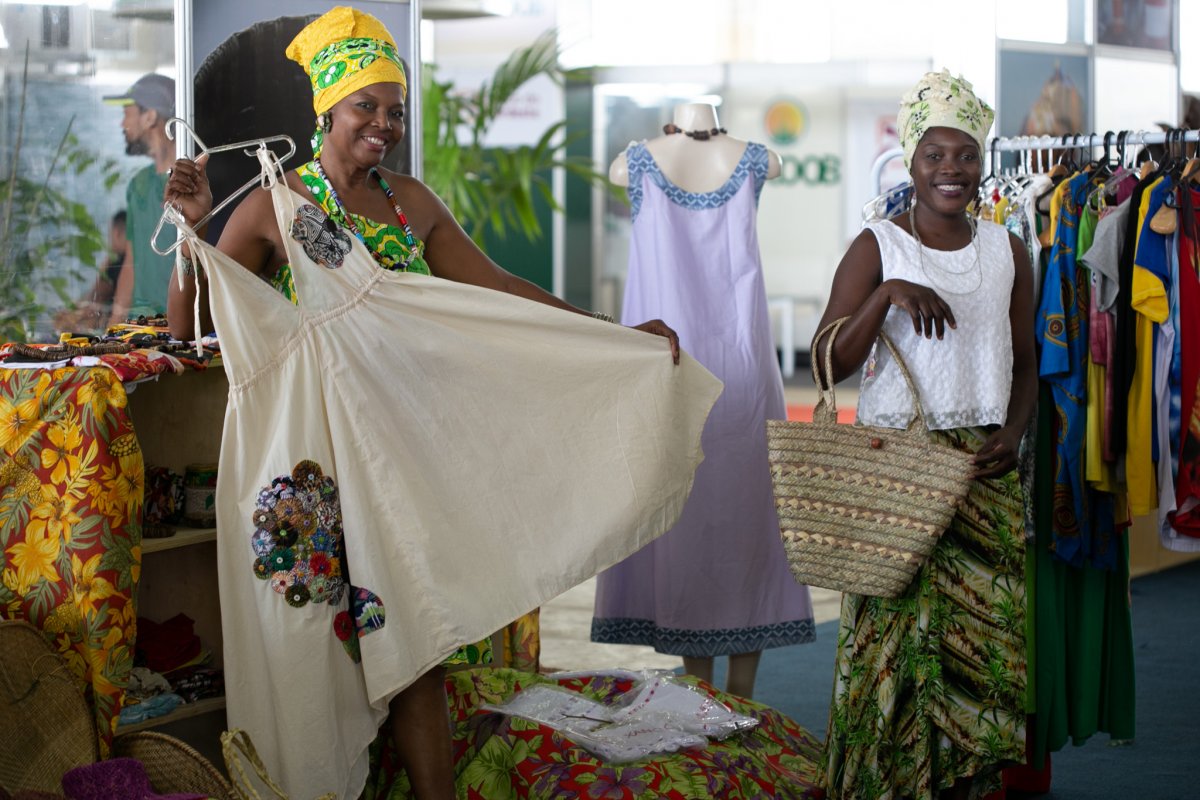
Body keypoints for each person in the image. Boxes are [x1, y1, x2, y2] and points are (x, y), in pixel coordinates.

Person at [162, 8, 683, 799]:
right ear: (327, 110)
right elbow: (194, 328)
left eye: (395, 108)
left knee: (414, 642)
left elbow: (501, 290)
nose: (383, 123)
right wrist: (189, 232)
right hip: (311, 463)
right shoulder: (274, 205)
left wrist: (614, 334)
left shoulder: (410, 202)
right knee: (314, 644)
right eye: (366, 105)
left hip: (406, 453)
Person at [814, 69, 1036, 799]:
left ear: (983, 162)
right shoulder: (878, 244)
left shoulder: (1010, 250)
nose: (951, 170)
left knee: (984, 650)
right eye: (934, 155)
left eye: (965, 155)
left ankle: (966, 786)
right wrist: (884, 297)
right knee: (894, 642)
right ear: (909, 161)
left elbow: (1026, 359)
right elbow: (829, 361)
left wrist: (1015, 429)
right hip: (900, 468)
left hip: (984, 474)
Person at [592, 102, 815, 700]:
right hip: (735, 367)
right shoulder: (750, 162)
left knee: (695, 521)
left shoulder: (639, 163)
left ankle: (707, 698)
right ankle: (733, 699)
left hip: (674, 368)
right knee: (735, 524)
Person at [104, 73, 178, 326]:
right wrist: (115, 328)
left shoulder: (192, 182)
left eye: (127, 113)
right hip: (140, 327)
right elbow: (132, 262)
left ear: (150, 117)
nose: (122, 124)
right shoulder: (139, 185)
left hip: (180, 328)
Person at [55, 210, 126, 332]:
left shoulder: (118, 265)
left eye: (109, 235)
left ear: (117, 232)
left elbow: (96, 295)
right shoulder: (127, 263)